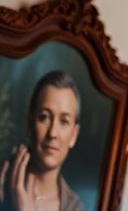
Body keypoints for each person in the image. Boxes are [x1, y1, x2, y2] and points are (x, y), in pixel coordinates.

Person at [0, 71, 85, 211]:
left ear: (74, 135)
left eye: (64, 121)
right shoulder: (2, 181)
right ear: (29, 123)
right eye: (44, 117)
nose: (52, 133)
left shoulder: (74, 207)